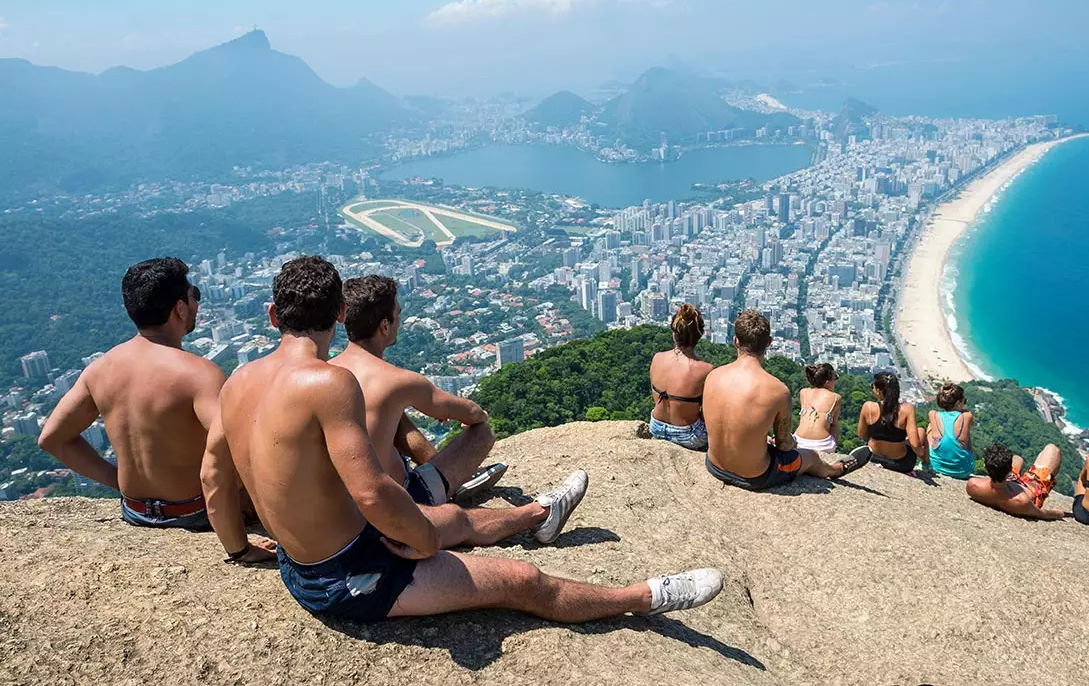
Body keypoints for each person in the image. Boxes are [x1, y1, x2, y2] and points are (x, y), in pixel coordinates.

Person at [218, 256, 724, 623]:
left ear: (271, 314)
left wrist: (240, 549)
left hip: (304, 559)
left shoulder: (236, 382)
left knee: (457, 517)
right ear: (338, 317)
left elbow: (212, 475)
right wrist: (421, 541)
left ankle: (538, 515)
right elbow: (372, 492)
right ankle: (643, 597)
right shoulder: (327, 382)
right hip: (349, 578)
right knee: (524, 582)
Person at [37, 258, 273, 561]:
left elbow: (52, 438)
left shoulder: (100, 369)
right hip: (193, 513)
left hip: (134, 511)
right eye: (194, 295)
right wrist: (241, 536)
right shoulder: (199, 375)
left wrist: (116, 479)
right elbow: (240, 447)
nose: (196, 303)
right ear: (179, 308)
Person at [330, 275, 571, 548]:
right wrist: (473, 417)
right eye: (398, 314)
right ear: (384, 326)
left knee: (393, 416)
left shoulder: (329, 374)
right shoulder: (397, 380)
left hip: (345, 510)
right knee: (482, 434)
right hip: (403, 500)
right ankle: (542, 513)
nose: (400, 320)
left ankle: (450, 483)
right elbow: (472, 413)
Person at [703, 310, 869, 491]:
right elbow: (784, 446)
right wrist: (791, 443)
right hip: (755, 475)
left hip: (714, 465)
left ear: (735, 341)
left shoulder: (713, 376)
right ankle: (836, 469)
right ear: (769, 343)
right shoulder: (777, 391)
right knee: (810, 457)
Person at [647, 303, 714, 450]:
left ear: (673, 332)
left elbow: (654, 395)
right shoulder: (706, 370)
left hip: (656, 426)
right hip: (688, 435)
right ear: (700, 334)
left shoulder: (657, 358)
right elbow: (710, 411)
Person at [966, 443, 1066, 520]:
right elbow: (1041, 514)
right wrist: (1057, 514)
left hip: (1008, 482)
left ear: (985, 468)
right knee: (1053, 449)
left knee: (1018, 458)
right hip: (1032, 488)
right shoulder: (1021, 501)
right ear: (1009, 470)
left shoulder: (973, 485)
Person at [855, 371, 926, 474]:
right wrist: (922, 454)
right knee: (920, 431)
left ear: (879, 391)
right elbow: (915, 444)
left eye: (872, 387)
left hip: (873, 458)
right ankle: (927, 465)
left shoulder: (868, 407)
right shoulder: (907, 409)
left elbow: (861, 434)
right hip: (899, 464)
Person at [926, 382, 976, 479]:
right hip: (963, 471)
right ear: (958, 403)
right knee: (965, 434)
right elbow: (971, 425)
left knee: (930, 426)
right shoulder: (967, 416)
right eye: (964, 401)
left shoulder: (933, 414)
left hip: (936, 467)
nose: (964, 403)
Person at [792, 363, 841, 453]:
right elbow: (834, 424)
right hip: (822, 444)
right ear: (828, 382)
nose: (836, 381)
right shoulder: (835, 398)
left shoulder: (803, 392)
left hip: (799, 441)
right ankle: (833, 450)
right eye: (835, 378)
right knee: (835, 424)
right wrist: (833, 442)